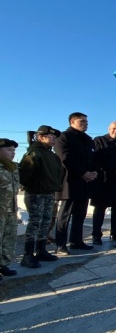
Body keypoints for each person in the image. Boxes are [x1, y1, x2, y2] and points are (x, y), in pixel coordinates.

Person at [19, 126, 63, 268]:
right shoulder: (34, 153)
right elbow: (25, 175)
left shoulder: (52, 155)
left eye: (55, 138)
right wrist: (33, 187)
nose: (53, 139)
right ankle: (27, 255)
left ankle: (41, 250)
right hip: (35, 193)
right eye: (50, 137)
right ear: (40, 137)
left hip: (49, 193)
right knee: (35, 222)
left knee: (46, 221)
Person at [54, 112, 97, 255]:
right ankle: (60, 244)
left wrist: (93, 172)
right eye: (82, 121)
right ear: (72, 122)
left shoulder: (88, 139)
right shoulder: (64, 137)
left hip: (85, 183)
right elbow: (65, 158)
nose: (86, 123)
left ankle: (76, 241)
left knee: (80, 214)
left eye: (86, 121)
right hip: (70, 182)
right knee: (65, 214)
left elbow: (92, 158)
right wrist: (83, 173)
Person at [0, 138, 20, 279]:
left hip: (10, 209)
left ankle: (3, 265)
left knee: (9, 238)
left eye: (14, 150)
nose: (12, 153)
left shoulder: (13, 167)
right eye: (9, 150)